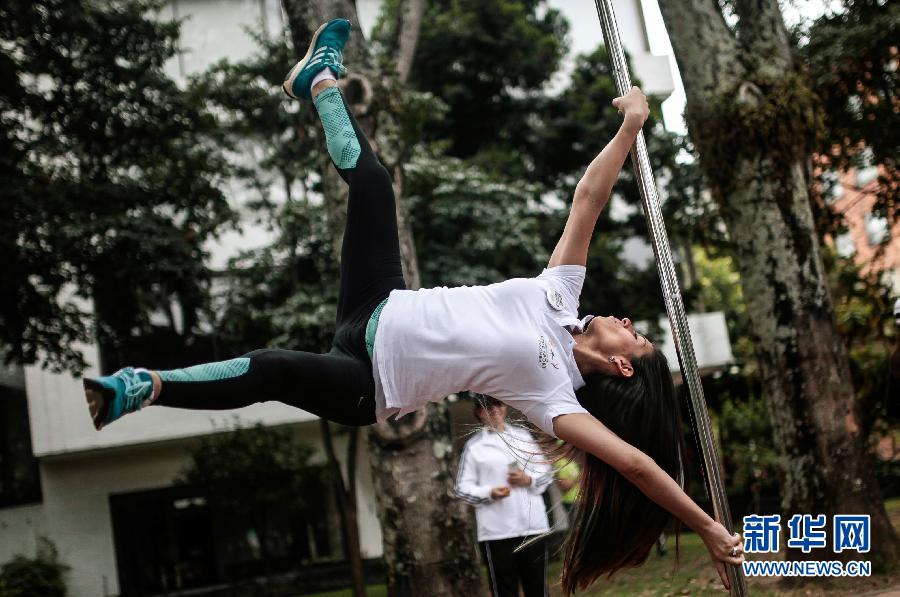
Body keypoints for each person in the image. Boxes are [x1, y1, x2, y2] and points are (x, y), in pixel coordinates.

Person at [81, 18, 743, 594]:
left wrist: (710, 528)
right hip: (376, 305)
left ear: (623, 369)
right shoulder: (560, 295)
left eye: (638, 337)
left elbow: (635, 463)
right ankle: (318, 81)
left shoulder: (555, 399)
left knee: (271, 367)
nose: (628, 323)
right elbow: (587, 200)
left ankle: (139, 387)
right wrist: (630, 124)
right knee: (373, 190)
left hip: (370, 382)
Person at [455, 396, 554, 597]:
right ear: (479, 413)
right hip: (497, 532)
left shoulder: (524, 437)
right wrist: (489, 493)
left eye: (498, 405)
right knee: (504, 591)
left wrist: (529, 480)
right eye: (488, 408)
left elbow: (546, 473)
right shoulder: (474, 447)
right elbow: (462, 488)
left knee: (538, 589)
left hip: (532, 526)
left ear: (505, 407)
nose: (495, 410)